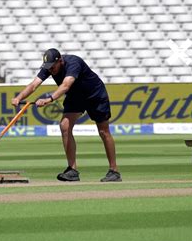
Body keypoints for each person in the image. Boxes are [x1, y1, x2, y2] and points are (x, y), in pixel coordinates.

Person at [11, 48, 122, 182]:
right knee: (64, 126)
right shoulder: (49, 67)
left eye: (52, 67)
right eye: (48, 68)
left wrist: (49, 99)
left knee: (103, 131)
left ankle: (114, 171)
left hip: (95, 95)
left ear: (60, 61)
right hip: (75, 97)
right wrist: (19, 97)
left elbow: (65, 85)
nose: (50, 70)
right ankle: (72, 170)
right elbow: (34, 85)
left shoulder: (74, 62)